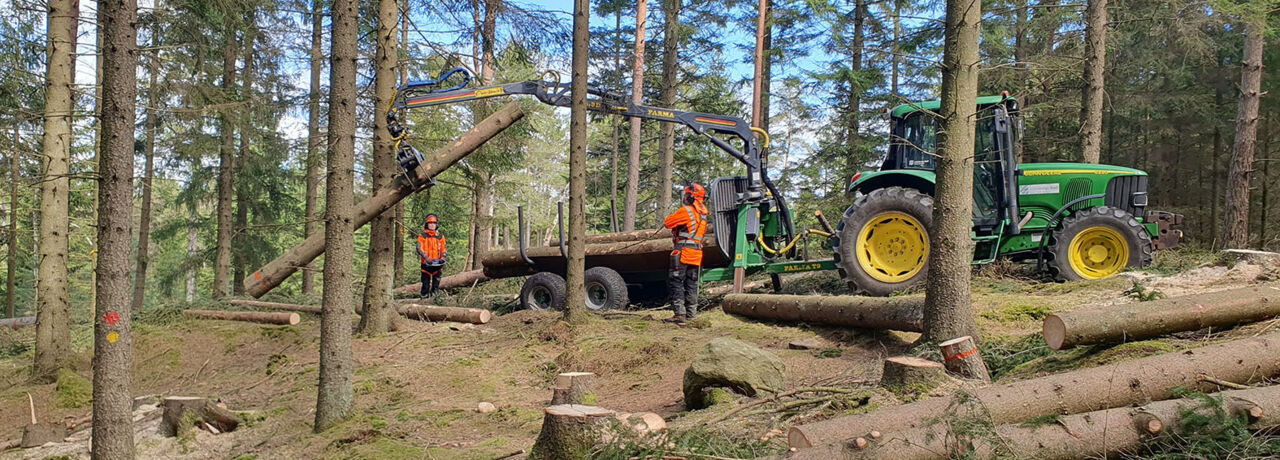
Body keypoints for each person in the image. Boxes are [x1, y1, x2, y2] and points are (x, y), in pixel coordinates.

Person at [662, 183, 709, 325]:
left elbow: (668, 223)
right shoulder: (703, 215)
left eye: (686, 195)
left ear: (690, 197)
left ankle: (679, 315)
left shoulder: (686, 211)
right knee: (692, 283)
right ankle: (691, 314)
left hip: (682, 252)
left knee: (676, 281)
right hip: (696, 253)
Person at [416, 214, 447, 299]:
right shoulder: (422, 236)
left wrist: (443, 257)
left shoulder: (440, 236)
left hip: (437, 263)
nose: (432, 225)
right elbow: (419, 248)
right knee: (425, 283)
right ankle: (424, 298)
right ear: (427, 224)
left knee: (436, 284)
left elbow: (444, 248)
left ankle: (435, 298)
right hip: (426, 263)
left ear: (436, 225)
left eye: (434, 223)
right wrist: (426, 257)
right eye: (430, 223)